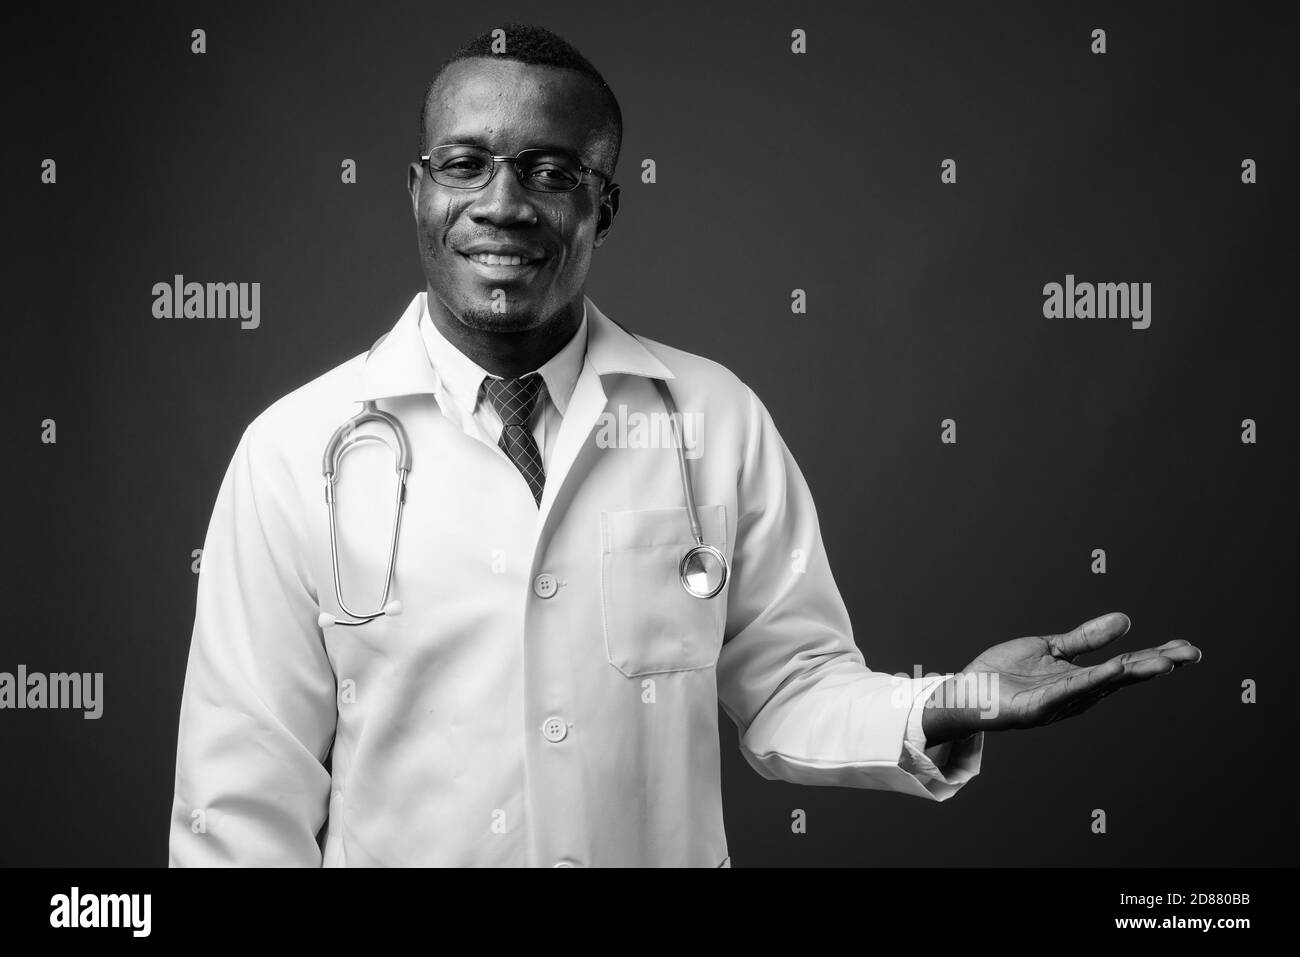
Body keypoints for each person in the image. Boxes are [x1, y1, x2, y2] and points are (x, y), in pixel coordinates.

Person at [168, 22, 1201, 867]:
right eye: (464, 162)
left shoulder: (712, 417)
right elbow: (242, 797)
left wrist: (946, 700)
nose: (502, 202)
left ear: (602, 205)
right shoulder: (295, 449)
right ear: (419, 190)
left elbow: (790, 688)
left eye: (549, 170)